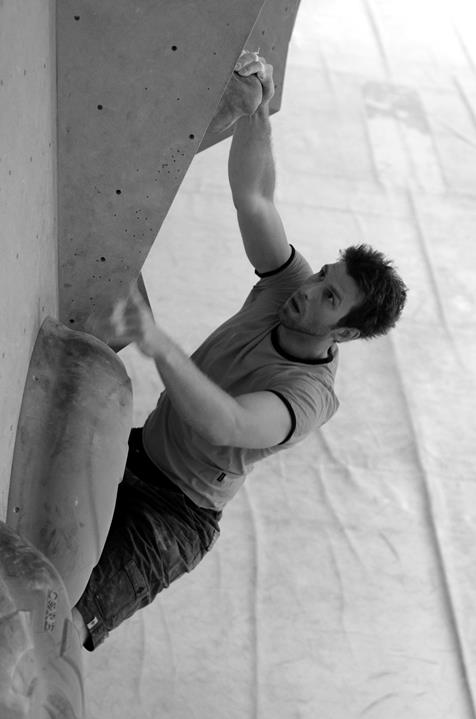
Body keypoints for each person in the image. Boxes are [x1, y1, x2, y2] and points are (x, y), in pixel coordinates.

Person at [72, 51, 408, 650]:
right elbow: (255, 197)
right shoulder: (288, 288)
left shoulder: (308, 397)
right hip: (139, 453)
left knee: (59, 626)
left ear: (347, 334)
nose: (307, 289)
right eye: (321, 275)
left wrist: (155, 341)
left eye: (328, 296)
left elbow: (224, 419)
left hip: (171, 520)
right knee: (27, 552)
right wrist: (258, 111)